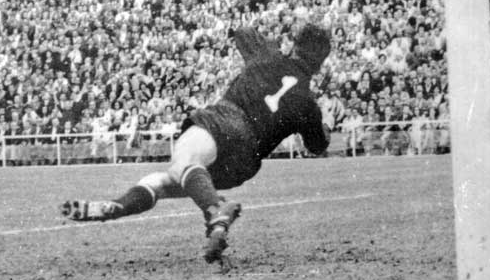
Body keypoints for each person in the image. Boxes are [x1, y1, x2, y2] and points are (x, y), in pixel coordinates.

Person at [62, 24, 332, 265]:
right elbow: (318, 146)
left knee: (184, 161)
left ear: (294, 44)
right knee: (170, 180)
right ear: (320, 63)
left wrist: (240, 34)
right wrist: (325, 126)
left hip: (227, 122)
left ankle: (215, 211)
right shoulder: (308, 104)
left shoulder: (268, 56)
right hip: (245, 162)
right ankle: (117, 206)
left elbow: (242, 31)